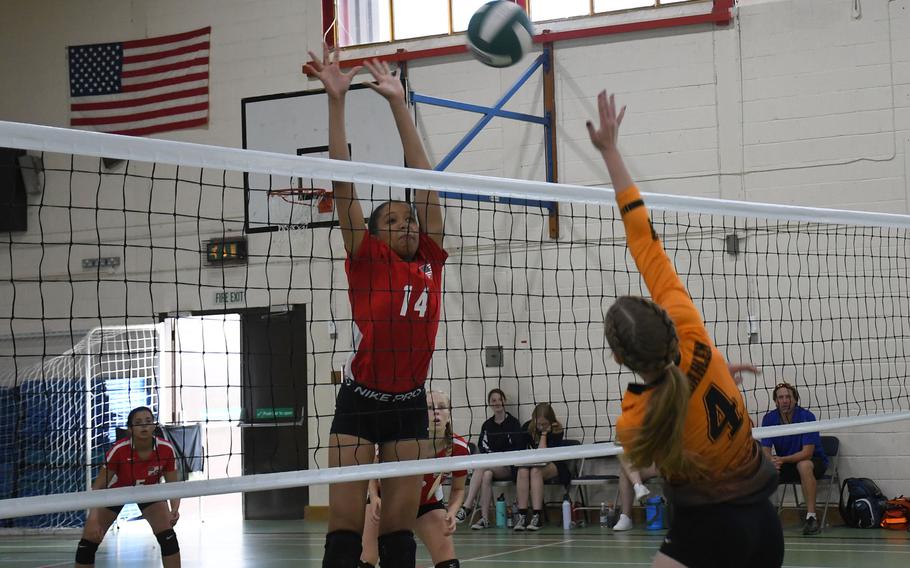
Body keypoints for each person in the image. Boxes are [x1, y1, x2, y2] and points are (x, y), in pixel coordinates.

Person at [588, 90, 782, 567]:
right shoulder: (692, 327)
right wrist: (612, 151)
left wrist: (712, 373)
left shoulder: (635, 418)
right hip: (764, 521)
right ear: (665, 322)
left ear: (618, 358)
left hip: (709, 530)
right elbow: (643, 237)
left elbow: (651, 463)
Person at [305, 45, 448, 568]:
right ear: (375, 232)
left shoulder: (431, 258)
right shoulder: (366, 258)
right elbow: (343, 183)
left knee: (397, 534)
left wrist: (398, 104)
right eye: (394, 221)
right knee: (344, 530)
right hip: (360, 401)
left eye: (411, 220)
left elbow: (425, 181)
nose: (408, 224)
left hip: (409, 404)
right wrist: (337, 100)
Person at [612, 363, 759, 531]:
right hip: (660, 462)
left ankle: (642, 488)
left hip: (684, 460)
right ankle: (627, 513)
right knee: (624, 460)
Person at [361, 390, 468, 568]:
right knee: (366, 562)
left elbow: (458, 489)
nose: (436, 412)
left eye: (442, 407)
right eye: (429, 407)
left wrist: (452, 511)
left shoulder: (458, 448)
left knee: (449, 564)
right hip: (387, 503)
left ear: (449, 415)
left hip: (426, 505)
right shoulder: (402, 441)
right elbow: (372, 470)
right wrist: (374, 497)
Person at [74, 407, 181, 568]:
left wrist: (174, 509)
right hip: (116, 492)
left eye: (148, 421)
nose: (144, 426)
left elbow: (174, 485)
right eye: (138, 423)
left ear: (154, 426)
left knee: (168, 537)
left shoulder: (165, 449)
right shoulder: (119, 449)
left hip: (148, 491)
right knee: (89, 540)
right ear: (130, 429)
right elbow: (97, 487)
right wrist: (94, 518)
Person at [761, 382, 828, 535]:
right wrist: (772, 461)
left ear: (795, 399)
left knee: (803, 465)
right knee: (764, 468)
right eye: (781, 397)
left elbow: (807, 453)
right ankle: (765, 518)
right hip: (786, 461)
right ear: (776, 401)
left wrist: (781, 459)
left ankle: (811, 518)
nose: (784, 400)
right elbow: (765, 449)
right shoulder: (769, 419)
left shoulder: (806, 417)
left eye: (788, 397)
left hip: (813, 462)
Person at [453, 388, 524, 529]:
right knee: (486, 474)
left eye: (499, 399)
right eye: (493, 400)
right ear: (489, 404)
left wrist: (500, 457)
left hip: (509, 466)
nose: (497, 402)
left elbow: (518, 446)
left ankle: (467, 506)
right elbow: (483, 447)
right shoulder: (487, 425)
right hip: (492, 465)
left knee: (482, 467)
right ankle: (485, 518)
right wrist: (493, 458)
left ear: (504, 401)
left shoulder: (513, 423)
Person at [513, 402, 569, 532]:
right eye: (538, 424)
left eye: (544, 424)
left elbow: (544, 455)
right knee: (522, 471)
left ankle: (537, 516)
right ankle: (522, 516)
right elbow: (520, 451)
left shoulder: (556, 429)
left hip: (554, 464)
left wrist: (544, 434)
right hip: (531, 463)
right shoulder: (527, 428)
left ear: (550, 421)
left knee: (535, 471)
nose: (540, 426)